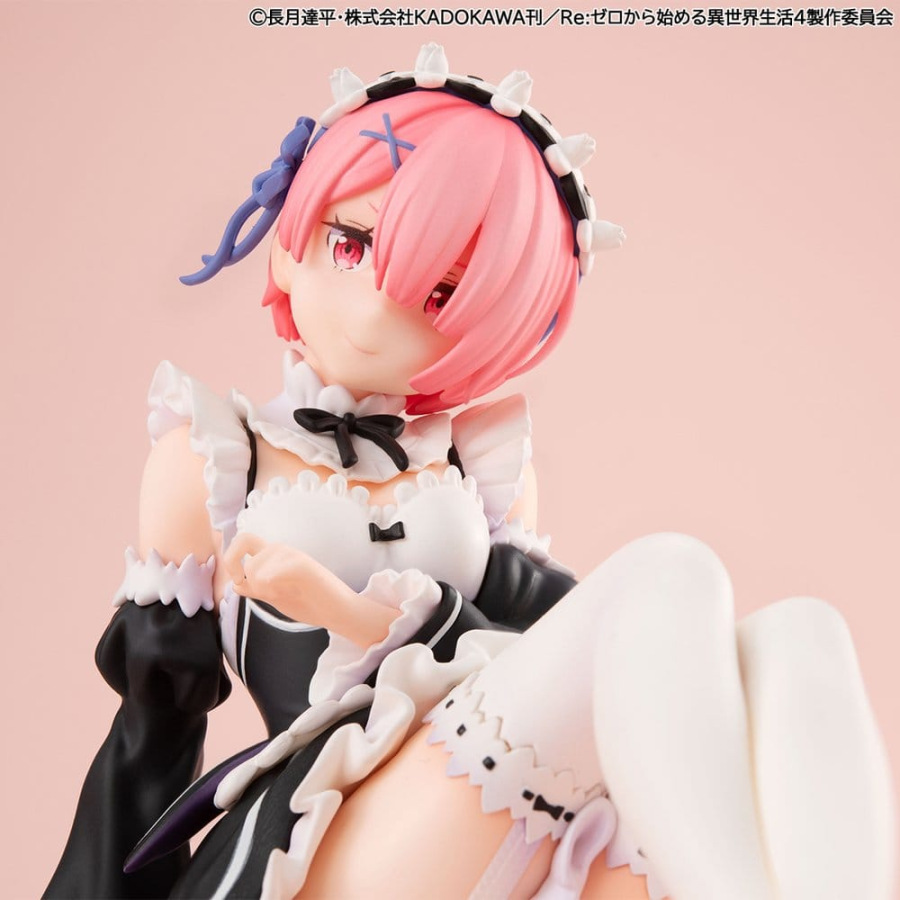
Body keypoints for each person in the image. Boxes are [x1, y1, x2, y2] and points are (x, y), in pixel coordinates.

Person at [46, 46, 895, 900]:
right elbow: (152, 730)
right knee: (672, 569)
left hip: (488, 806)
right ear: (286, 249)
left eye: (442, 292)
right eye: (351, 245)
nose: (379, 308)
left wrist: (348, 610)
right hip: (329, 818)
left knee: (800, 635)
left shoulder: (479, 469)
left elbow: (564, 655)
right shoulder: (215, 458)